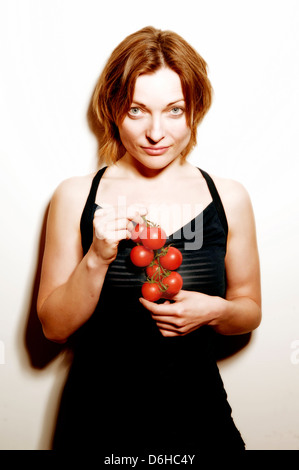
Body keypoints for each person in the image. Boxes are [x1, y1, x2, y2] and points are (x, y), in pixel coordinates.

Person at [37, 26, 261, 454]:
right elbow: (53, 327)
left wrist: (216, 311)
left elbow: (249, 312)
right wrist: (97, 258)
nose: (156, 132)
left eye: (174, 110)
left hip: (200, 417)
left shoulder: (229, 197)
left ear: (195, 111)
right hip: (96, 421)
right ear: (113, 108)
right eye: (137, 110)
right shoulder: (74, 196)